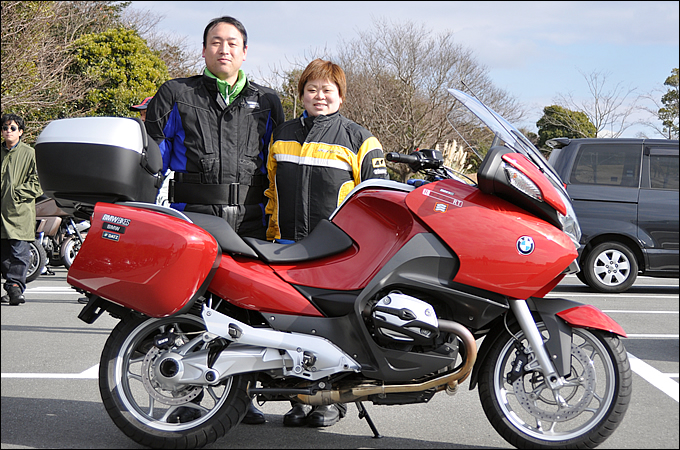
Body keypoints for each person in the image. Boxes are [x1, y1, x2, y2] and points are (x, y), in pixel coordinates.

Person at [144, 16, 284, 425]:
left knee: (250, 311)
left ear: (245, 51)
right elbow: (150, 156)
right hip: (195, 218)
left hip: (252, 221)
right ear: (204, 49)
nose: (224, 49)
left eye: (233, 43)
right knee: (193, 311)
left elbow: (281, 162)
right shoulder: (175, 93)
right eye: (216, 42)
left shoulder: (268, 100)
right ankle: (187, 397)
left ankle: (246, 398)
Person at [264, 58, 389, 426]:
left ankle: (329, 401)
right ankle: (297, 399)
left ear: (340, 96)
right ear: (301, 94)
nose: (320, 96)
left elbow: (377, 200)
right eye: (312, 89)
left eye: (328, 90)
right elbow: (268, 190)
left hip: (336, 252)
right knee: (287, 326)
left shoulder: (360, 139)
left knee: (331, 326)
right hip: (285, 245)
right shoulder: (281, 134)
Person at [1, 113, 43, 305]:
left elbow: (38, 182)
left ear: (21, 132)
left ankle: (16, 287)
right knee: (4, 255)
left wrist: (16, 193)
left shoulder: (29, 153)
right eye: (5, 128)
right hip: (1, 214)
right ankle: (11, 287)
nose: (8, 131)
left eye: (12, 128)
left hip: (19, 213)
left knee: (19, 254)